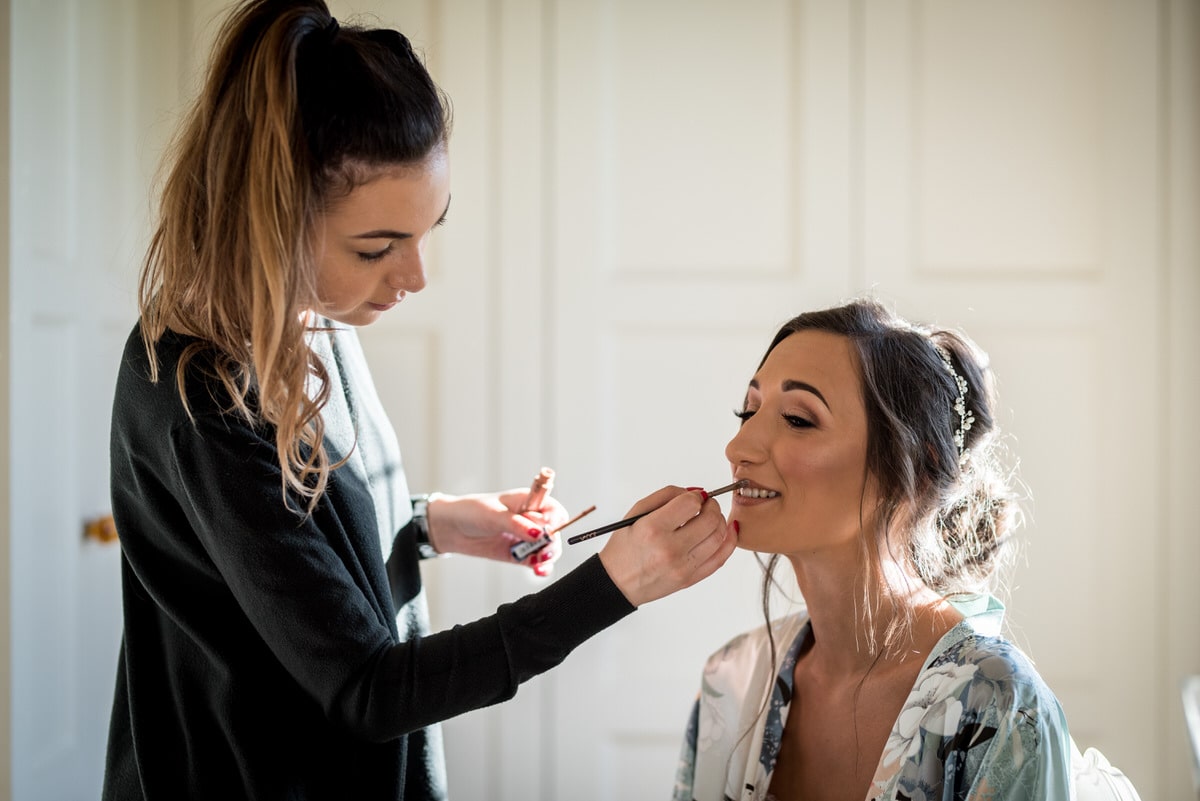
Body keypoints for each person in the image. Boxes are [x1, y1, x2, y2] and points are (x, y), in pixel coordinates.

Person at [102, 2, 737, 799]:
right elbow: (367, 689)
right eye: (376, 248)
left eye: (427, 229)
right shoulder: (197, 388)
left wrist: (427, 520)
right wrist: (615, 582)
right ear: (272, 220)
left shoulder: (312, 322)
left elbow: (291, 537)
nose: (415, 277)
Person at [672, 298, 1076, 801]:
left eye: (798, 419)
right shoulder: (729, 679)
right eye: (747, 412)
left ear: (915, 468)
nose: (738, 449)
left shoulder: (997, 705)